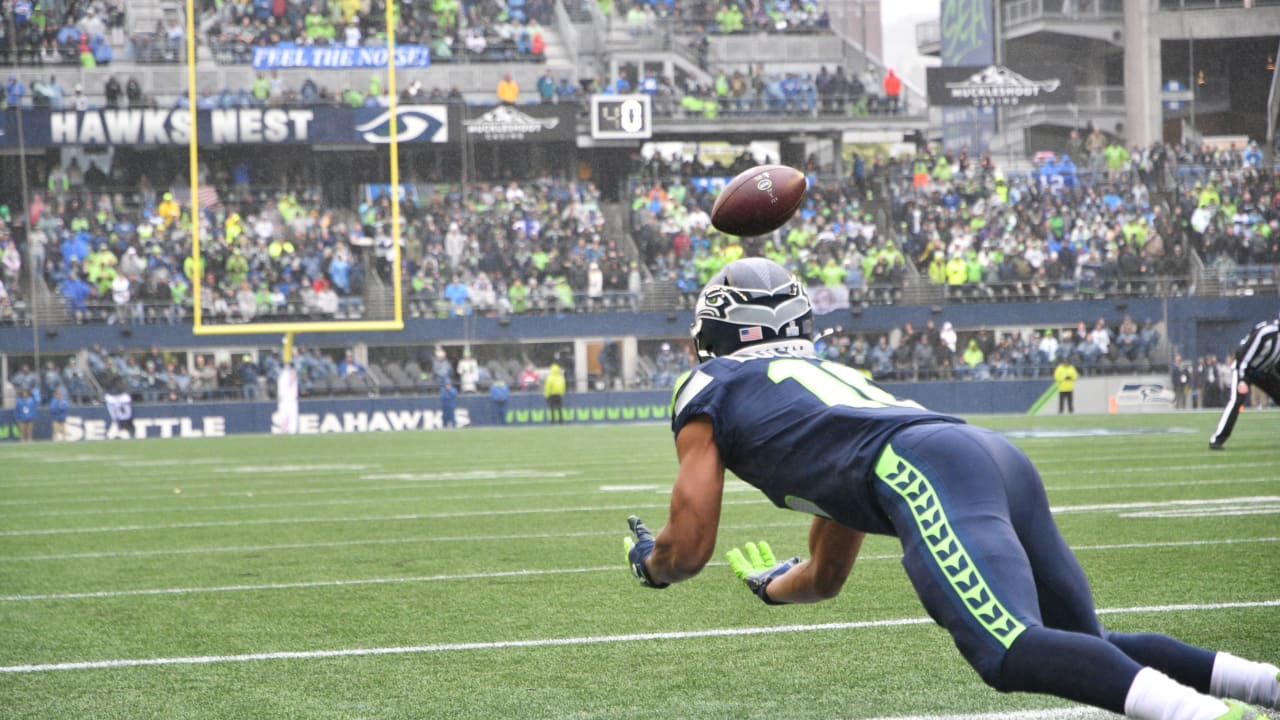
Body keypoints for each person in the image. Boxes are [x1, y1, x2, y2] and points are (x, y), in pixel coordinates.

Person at [624, 257, 1279, 720]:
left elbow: (690, 547)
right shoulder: (822, 390)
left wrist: (651, 567)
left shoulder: (709, 386)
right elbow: (826, 573)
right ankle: (1267, 687)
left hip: (922, 466)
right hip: (986, 455)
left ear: (705, 340)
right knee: (1087, 647)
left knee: (1008, 650)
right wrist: (775, 588)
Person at [1208, 316, 1280, 451]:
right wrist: (1242, 379)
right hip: (1245, 368)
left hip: (1264, 371)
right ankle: (1217, 439)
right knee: (1237, 400)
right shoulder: (1267, 333)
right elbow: (1243, 354)